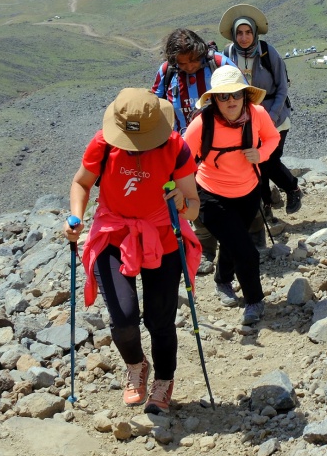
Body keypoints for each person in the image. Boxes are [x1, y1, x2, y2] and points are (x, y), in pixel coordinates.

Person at [62, 88, 200, 415]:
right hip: (113, 234)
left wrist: (181, 203)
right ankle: (136, 365)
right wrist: (76, 217)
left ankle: (164, 381)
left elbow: (193, 207)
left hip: (162, 237)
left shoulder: (175, 148)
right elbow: (82, 183)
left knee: (159, 319)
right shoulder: (103, 143)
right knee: (123, 318)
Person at [184, 64, 281, 327]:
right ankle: (254, 301)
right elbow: (181, 158)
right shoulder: (201, 124)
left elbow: (272, 138)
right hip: (211, 195)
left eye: (235, 94)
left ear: (245, 95)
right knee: (246, 250)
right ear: (214, 98)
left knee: (232, 241)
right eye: (223, 96)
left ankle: (222, 281)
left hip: (248, 191)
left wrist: (260, 154)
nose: (230, 101)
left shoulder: (257, 114)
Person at [151, 27, 236, 274]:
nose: (189, 66)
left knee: (230, 193)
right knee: (193, 197)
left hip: (223, 145)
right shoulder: (167, 72)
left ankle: (244, 239)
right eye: (183, 63)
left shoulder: (219, 64)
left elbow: (241, 98)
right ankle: (206, 248)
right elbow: (157, 105)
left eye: (194, 60)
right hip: (183, 149)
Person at [221, 4, 301, 214]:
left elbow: (283, 87)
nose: (244, 37)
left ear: (255, 33)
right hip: (244, 119)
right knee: (253, 161)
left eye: (248, 32)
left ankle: (292, 188)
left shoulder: (268, 52)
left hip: (275, 116)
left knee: (268, 159)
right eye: (239, 33)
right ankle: (264, 203)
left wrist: (271, 117)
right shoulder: (228, 53)